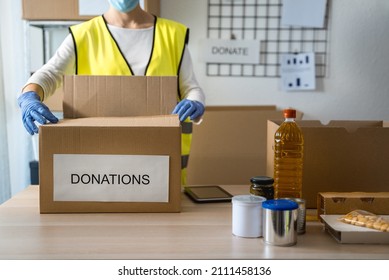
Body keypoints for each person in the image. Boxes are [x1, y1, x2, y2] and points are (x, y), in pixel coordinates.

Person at [17, 0, 205, 184]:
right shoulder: (84, 35)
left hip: (160, 164)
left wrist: (196, 102)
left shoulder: (172, 34)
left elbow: (191, 87)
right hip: (102, 170)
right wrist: (29, 96)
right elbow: (50, 73)